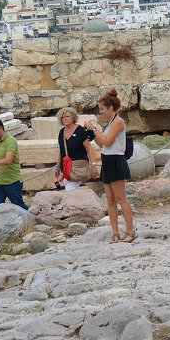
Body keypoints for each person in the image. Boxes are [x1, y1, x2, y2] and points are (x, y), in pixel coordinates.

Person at [91, 89, 135, 243]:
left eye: (102, 109)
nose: (101, 112)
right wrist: (92, 135)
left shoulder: (118, 122)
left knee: (121, 198)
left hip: (116, 160)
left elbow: (108, 141)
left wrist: (94, 130)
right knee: (110, 199)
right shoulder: (109, 123)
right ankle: (115, 233)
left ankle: (130, 231)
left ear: (110, 108)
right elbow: (102, 144)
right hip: (107, 160)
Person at [55, 107, 99, 191]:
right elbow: (61, 150)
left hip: (78, 167)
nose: (65, 119)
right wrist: (57, 166)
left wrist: (93, 165)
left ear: (73, 117)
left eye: (67, 116)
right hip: (65, 168)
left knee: (69, 191)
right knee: (70, 191)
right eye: (63, 117)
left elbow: (89, 147)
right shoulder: (61, 132)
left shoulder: (80, 131)